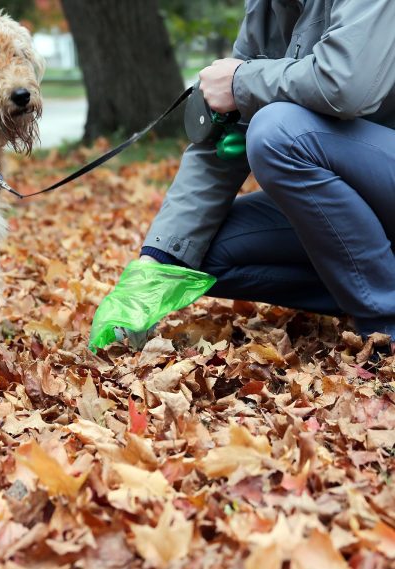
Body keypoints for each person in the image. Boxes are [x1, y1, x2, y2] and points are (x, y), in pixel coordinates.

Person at [128, 0, 395, 346]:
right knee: (196, 255)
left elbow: (345, 84)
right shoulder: (266, 8)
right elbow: (224, 130)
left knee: (276, 132)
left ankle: (385, 327)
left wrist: (241, 80)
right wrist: (158, 262)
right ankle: (365, 289)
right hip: (363, 203)